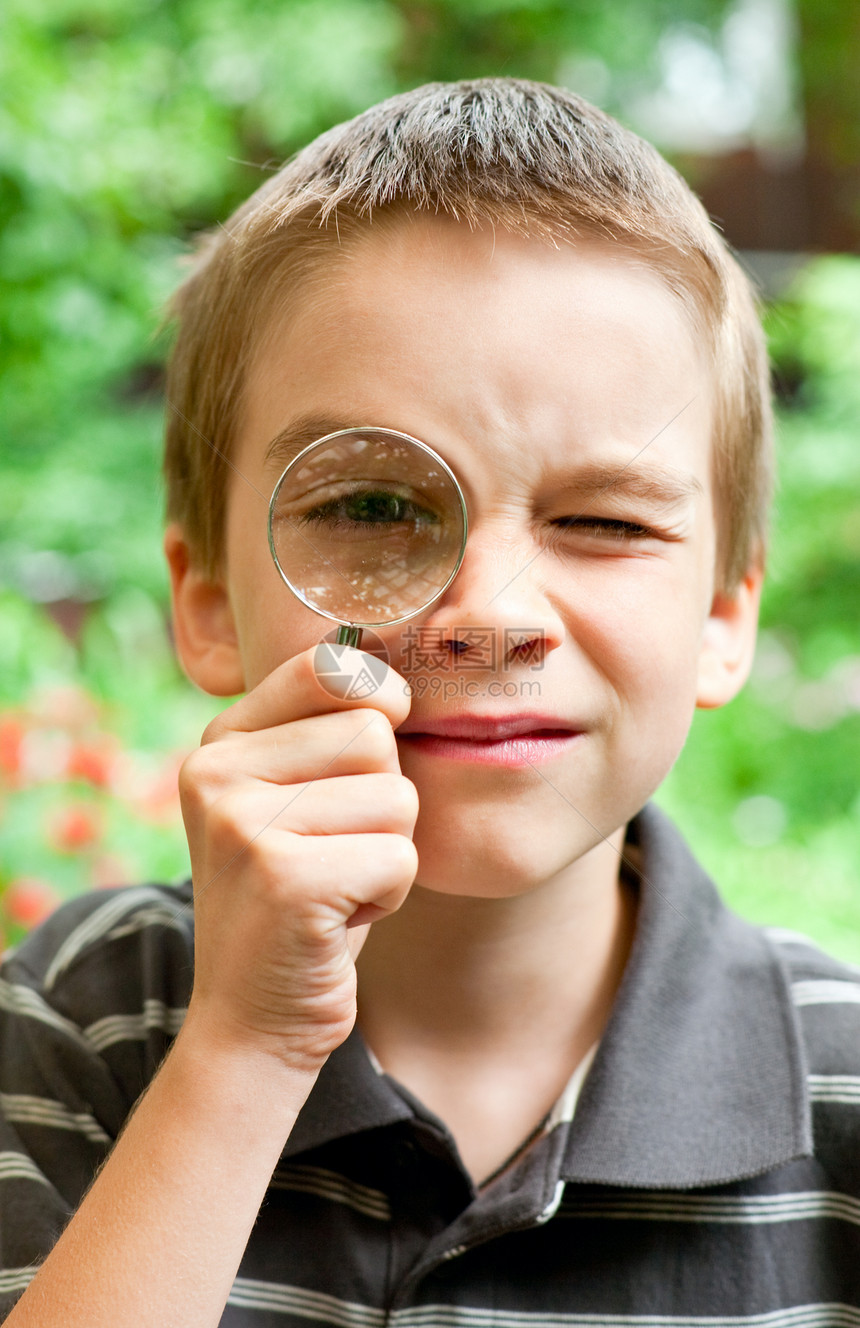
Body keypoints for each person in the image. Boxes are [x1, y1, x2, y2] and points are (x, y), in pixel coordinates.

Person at [1, 77, 859, 1327]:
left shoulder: (840, 1095)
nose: (487, 610)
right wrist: (242, 1053)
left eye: (604, 520)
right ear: (204, 603)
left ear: (723, 614)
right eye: (371, 507)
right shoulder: (74, 1025)